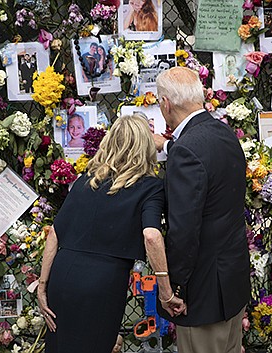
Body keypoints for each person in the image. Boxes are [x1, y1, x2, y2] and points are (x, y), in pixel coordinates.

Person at [37, 114, 185, 353]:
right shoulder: (150, 186)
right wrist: (166, 293)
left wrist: (43, 287)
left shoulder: (87, 181)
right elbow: (151, 235)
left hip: (62, 278)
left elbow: (54, 233)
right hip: (102, 283)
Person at [152, 67, 250, 353]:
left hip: (203, 290)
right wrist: (170, 145)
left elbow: (183, 232)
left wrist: (174, 289)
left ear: (166, 104)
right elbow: (204, 161)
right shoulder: (222, 132)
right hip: (230, 279)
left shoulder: (186, 150)